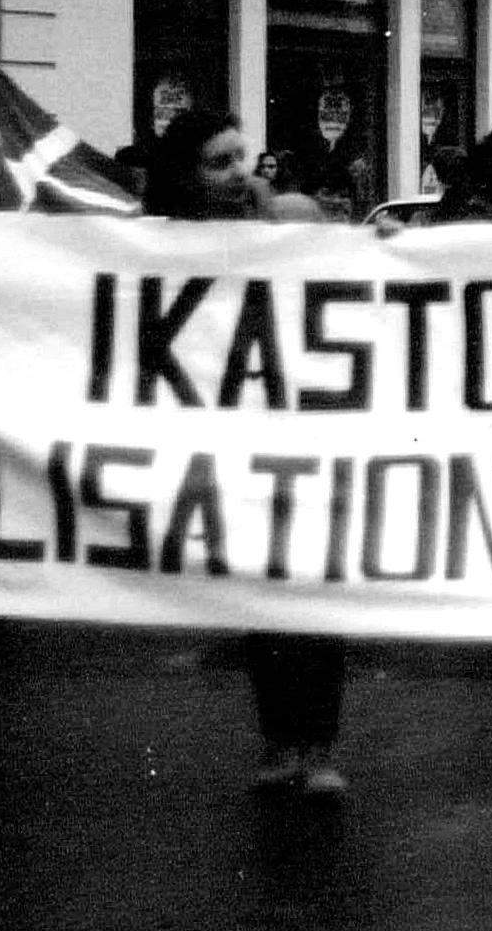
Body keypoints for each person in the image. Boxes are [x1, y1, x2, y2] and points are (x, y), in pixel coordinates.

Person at [142, 110, 351, 796]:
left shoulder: (291, 219)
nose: (239, 172)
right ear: (186, 176)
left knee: (313, 588)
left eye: (242, 156)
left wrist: (378, 246)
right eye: (219, 161)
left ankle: (318, 747)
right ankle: (280, 742)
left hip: (301, 433)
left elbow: (354, 279)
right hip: (227, 440)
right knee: (260, 597)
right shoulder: (155, 243)